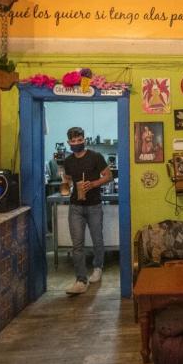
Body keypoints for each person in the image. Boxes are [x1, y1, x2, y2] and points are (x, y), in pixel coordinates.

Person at [60, 126, 112, 294]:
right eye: (73, 141)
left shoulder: (95, 157)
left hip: (94, 205)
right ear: (69, 143)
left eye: (79, 140)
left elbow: (108, 176)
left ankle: (98, 268)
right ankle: (81, 280)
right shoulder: (68, 161)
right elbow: (67, 181)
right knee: (77, 245)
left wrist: (93, 183)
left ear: (84, 140)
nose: (76, 143)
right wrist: (65, 184)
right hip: (75, 206)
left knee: (97, 239)